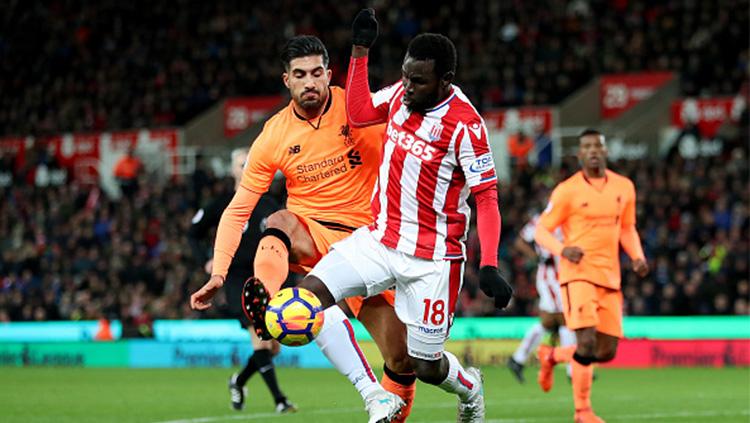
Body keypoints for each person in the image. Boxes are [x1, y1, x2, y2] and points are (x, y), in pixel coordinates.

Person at [293, 10, 512, 422]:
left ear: (445, 81)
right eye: (406, 76)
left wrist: (489, 265)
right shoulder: (400, 94)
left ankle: (470, 387)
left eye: (418, 80)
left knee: (424, 366)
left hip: (432, 260)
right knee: (307, 298)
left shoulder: (465, 126)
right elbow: (358, 112)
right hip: (379, 238)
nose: (407, 87)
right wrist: (359, 51)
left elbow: (486, 198)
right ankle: (374, 395)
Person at [189, 35, 413, 423]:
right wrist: (219, 272)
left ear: (329, 74)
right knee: (276, 221)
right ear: (286, 80)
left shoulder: (360, 108)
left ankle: (453, 386)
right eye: (299, 75)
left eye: (315, 73)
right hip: (311, 234)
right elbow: (238, 209)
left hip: (370, 243)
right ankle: (273, 302)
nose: (309, 82)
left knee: (403, 360)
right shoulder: (274, 134)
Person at [534, 129, 649, 423]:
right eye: (587, 147)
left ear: (606, 151)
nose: (593, 151)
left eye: (598, 145)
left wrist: (637, 256)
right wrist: (563, 249)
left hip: (610, 277)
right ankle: (582, 411)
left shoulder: (624, 187)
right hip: (578, 275)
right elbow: (541, 230)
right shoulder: (567, 190)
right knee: (585, 343)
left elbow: (626, 228)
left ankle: (552, 356)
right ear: (580, 155)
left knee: (606, 351)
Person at [188, 148, 296, 413]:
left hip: (266, 277)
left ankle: (238, 381)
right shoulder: (222, 203)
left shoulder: (269, 204)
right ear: (233, 170)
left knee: (272, 348)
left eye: (250, 162)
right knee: (260, 340)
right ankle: (280, 400)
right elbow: (194, 232)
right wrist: (207, 258)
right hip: (237, 279)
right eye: (240, 163)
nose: (246, 166)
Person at [507, 211, 576, 383]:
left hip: (564, 275)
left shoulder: (568, 219)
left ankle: (517, 359)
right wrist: (537, 258)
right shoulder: (541, 220)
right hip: (550, 277)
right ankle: (573, 370)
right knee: (565, 319)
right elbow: (520, 241)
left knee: (548, 322)